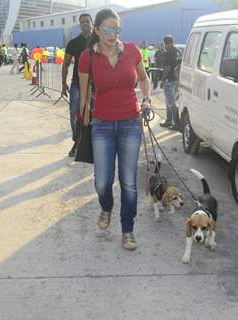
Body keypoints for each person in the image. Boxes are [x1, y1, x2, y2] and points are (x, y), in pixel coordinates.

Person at [78, 9, 151, 250]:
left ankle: (128, 230)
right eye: (107, 29)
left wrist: (147, 99)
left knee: (128, 182)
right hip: (102, 125)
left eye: (116, 29)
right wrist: (82, 119)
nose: (112, 34)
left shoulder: (131, 50)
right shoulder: (87, 57)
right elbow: (85, 92)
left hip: (131, 122)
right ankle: (106, 207)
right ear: (97, 29)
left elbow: (143, 78)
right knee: (102, 182)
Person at [62, 13, 93, 157]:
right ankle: (77, 141)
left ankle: (91, 142)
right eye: (82, 22)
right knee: (74, 112)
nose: (85, 24)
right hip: (76, 83)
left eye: (87, 21)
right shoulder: (73, 43)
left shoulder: (99, 41)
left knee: (93, 113)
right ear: (79, 24)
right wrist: (63, 83)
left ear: (92, 23)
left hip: (95, 84)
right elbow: (66, 64)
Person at [160, 34, 181, 130]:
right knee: (170, 101)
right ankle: (169, 120)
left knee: (171, 103)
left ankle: (177, 123)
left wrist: (163, 79)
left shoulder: (168, 53)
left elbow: (167, 68)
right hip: (176, 80)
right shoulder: (178, 51)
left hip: (169, 80)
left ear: (165, 43)